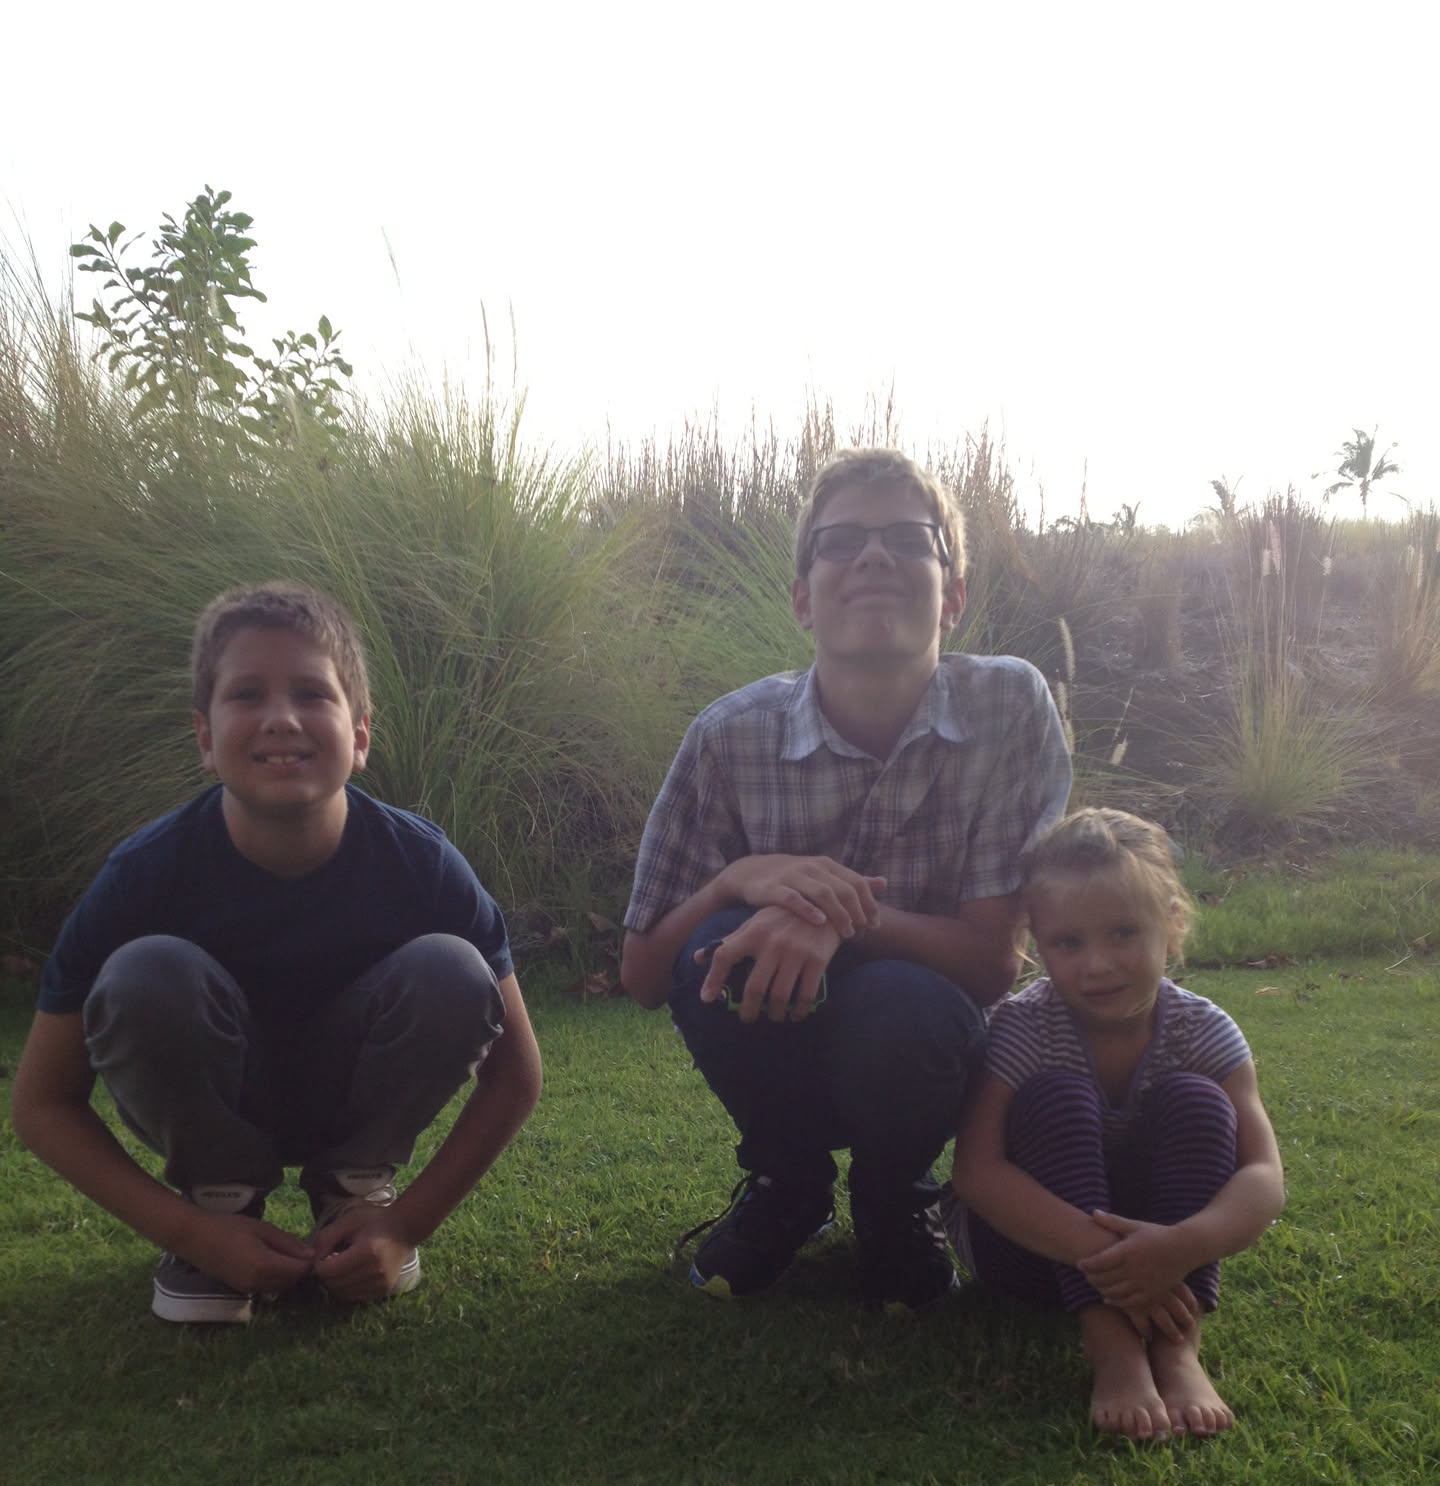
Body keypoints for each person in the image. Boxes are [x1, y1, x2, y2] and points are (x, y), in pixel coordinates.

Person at [11, 582, 543, 1325]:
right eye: (247, 694)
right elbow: (41, 1104)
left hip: (355, 1098)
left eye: (312, 693)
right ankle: (220, 1205)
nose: (282, 718)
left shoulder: (422, 865)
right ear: (205, 737)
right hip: (217, 1103)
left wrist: (405, 1225)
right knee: (146, 973)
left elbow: (517, 1075)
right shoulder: (143, 875)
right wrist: (189, 1231)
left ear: (360, 734)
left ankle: (356, 1195)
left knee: (453, 968)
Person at [620, 449, 1071, 1311]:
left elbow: (990, 965)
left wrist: (837, 915)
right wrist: (738, 881)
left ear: (955, 595)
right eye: (841, 542)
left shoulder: (1009, 708)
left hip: (918, 1040)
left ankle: (896, 1196)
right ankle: (788, 1183)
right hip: (776, 1043)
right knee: (720, 945)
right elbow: (644, 975)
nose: (872, 556)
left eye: (908, 538)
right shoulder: (728, 736)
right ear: (802, 599)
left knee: (905, 1000)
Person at [946, 808, 1284, 1439]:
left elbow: (1264, 1175)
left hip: (1165, 1256)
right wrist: (1118, 1261)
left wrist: (1179, 1248)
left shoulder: (1205, 1030)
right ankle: (1114, 1348)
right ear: (1036, 944)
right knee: (1057, 1096)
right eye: (1068, 943)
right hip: (1030, 1251)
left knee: (1198, 1099)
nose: (1096, 965)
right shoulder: (1023, 1027)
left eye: (1123, 933)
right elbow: (977, 1173)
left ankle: (1177, 1350)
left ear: (1173, 927)